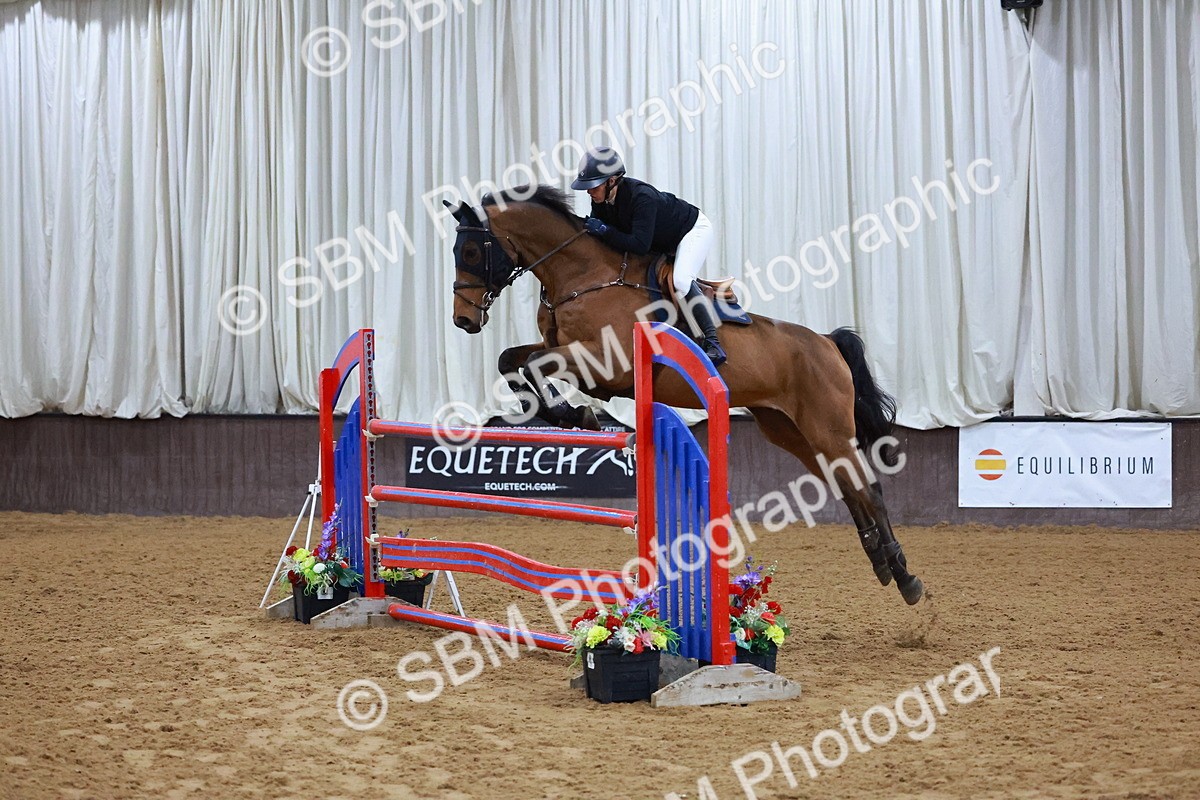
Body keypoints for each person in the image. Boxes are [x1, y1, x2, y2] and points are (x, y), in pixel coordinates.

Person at [570, 147, 727, 366]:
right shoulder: (601, 200)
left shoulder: (642, 197)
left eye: (593, 186)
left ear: (612, 181)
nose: (589, 192)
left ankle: (713, 343)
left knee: (681, 280)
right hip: (659, 238)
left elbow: (639, 245)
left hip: (691, 231)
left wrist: (605, 231)